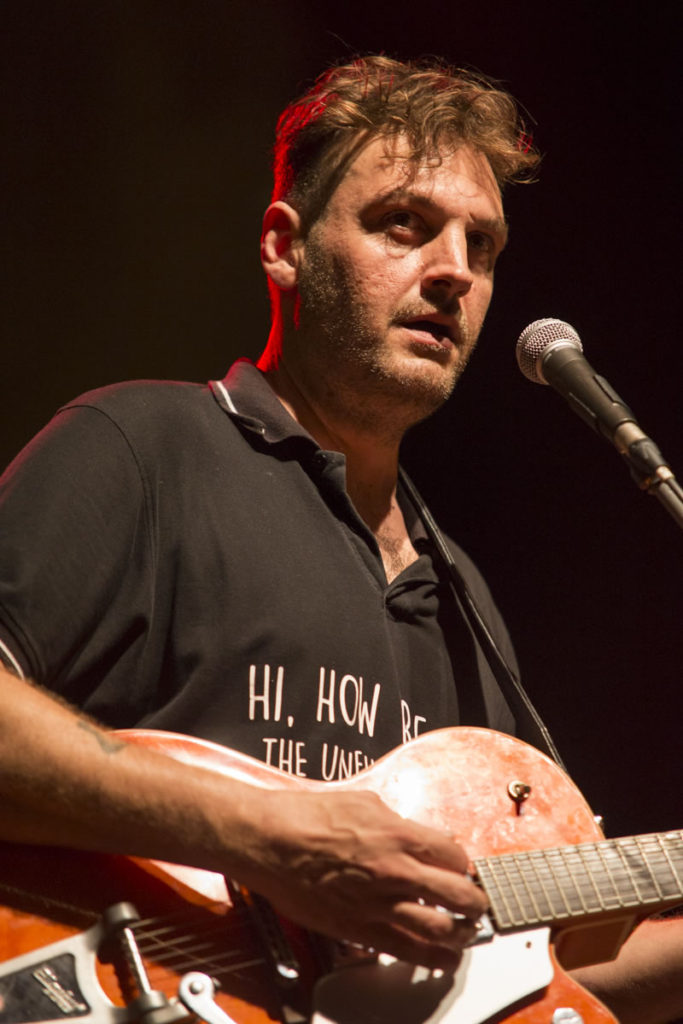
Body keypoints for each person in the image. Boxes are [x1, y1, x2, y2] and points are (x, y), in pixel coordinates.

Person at [0, 56, 681, 1022]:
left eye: (482, 245)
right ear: (285, 246)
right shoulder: (143, 448)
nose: (453, 270)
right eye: (404, 223)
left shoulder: (463, 604)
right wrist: (276, 837)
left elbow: (513, 976)